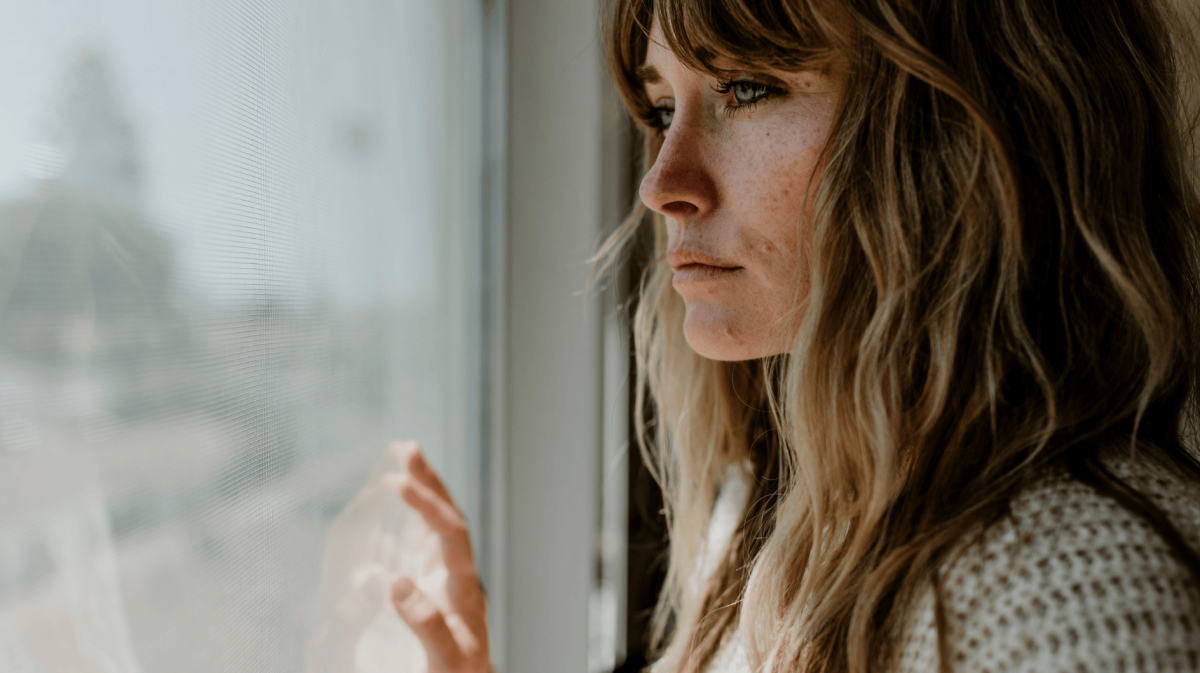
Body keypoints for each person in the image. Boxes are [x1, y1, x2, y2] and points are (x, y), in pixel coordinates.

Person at [388, 0, 1200, 670]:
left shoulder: (1070, 602)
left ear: (969, 128)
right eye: (664, 108)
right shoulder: (781, 521)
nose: (662, 184)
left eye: (747, 88)